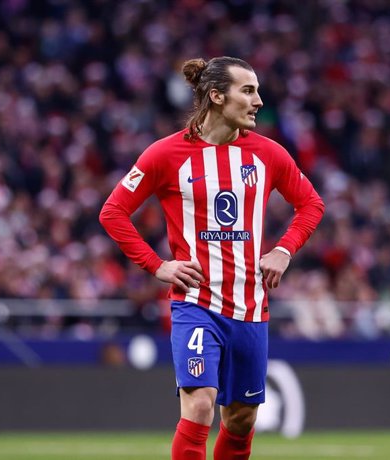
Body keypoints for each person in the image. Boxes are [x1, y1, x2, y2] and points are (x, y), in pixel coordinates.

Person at [100, 56, 324, 460]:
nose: (258, 101)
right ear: (217, 96)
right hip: (195, 304)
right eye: (248, 90)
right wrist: (158, 265)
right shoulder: (165, 155)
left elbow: (310, 204)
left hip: (250, 307)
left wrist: (283, 249)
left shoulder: (268, 154)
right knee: (201, 404)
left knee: (240, 419)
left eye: (257, 90)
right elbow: (112, 212)